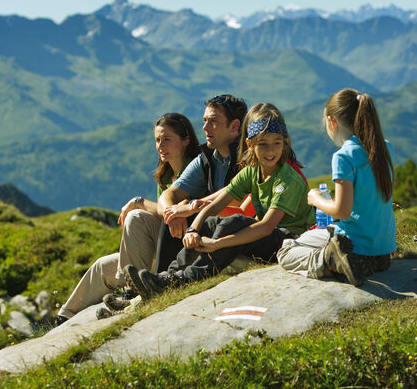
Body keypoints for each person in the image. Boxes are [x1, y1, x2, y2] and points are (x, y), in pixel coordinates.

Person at [127, 103, 314, 295]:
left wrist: (217, 244)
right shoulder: (251, 171)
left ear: (286, 143)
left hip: (292, 241)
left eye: (277, 143)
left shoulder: (287, 179)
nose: (270, 151)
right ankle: (168, 275)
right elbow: (215, 205)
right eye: (263, 144)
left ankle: (186, 278)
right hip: (270, 236)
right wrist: (193, 229)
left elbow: (266, 226)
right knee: (211, 222)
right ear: (250, 145)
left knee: (234, 222)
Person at [54, 113, 200, 324]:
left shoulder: (195, 171)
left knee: (135, 217)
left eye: (167, 139)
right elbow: (167, 211)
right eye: (157, 140)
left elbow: (182, 209)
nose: (160, 146)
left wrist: (139, 202)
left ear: (186, 141)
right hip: (158, 246)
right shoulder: (166, 176)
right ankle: (63, 318)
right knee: (102, 266)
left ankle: (131, 291)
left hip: (176, 252)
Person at [277, 89, 396, 286]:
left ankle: (330, 260)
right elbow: (362, 203)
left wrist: (316, 199)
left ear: (333, 122)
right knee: (317, 235)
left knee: (286, 250)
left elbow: (342, 210)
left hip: (355, 246)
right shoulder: (385, 147)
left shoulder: (343, 156)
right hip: (383, 249)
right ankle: (354, 260)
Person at [152, 95, 248, 276]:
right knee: (171, 218)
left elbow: (237, 198)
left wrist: (189, 208)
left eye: (213, 122)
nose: (204, 128)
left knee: (180, 217)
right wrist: (174, 212)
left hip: (237, 232)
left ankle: (162, 280)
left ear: (234, 126)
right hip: (212, 225)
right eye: (204, 121)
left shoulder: (249, 157)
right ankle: (160, 279)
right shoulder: (207, 158)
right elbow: (168, 195)